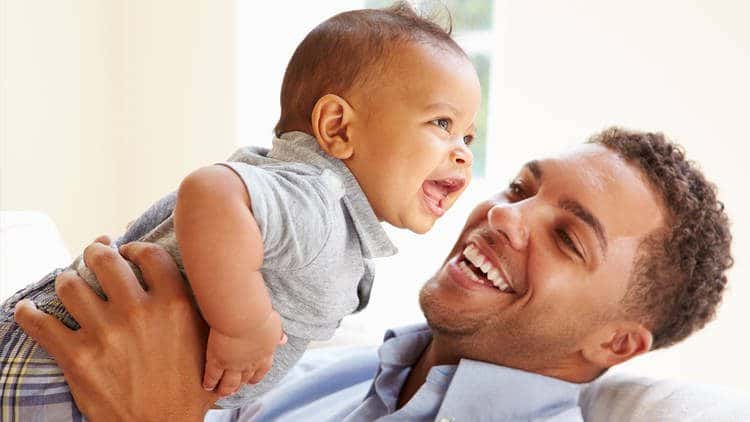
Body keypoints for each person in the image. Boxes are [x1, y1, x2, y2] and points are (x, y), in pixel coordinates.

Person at [14, 127, 732, 421]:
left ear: (615, 345)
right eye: (519, 189)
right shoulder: (336, 368)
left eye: (570, 239)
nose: (504, 217)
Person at [0, 2, 480, 417]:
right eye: (442, 123)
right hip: (64, 367)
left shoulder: (332, 217)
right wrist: (244, 324)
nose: (462, 151)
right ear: (338, 128)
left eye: (468, 136)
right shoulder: (317, 197)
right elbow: (209, 190)